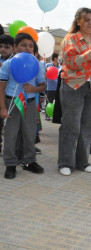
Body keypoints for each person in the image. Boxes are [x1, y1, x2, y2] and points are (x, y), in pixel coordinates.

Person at [58, 7, 91, 176]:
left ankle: (83, 162)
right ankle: (65, 162)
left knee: (87, 127)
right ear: (78, 21)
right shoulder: (70, 39)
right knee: (71, 126)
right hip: (73, 86)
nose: (90, 23)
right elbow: (71, 62)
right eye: (86, 19)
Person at [0, 33, 46, 179]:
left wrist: (34, 89)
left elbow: (42, 85)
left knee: (29, 133)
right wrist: (2, 108)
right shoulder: (8, 64)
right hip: (12, 102)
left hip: (30, 104)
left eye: (31, 46)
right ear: (15, 47)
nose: (28, 48)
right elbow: (1, 88)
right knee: (11, 135)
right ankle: (10, 164)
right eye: (23, 45)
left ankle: (29, 161)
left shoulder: (37, 65)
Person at [0, 34, 14, 155]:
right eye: (0, 46)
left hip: (7, 99)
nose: (3, 49)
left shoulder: (13, 62)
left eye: (6, 47)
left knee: (6, 126)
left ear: (13, 48)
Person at [44, 52, 60, 121]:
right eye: (58, 58)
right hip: (50, 87)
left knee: (57, 103)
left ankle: (55, 116)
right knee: (49, 102)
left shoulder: (59, 67)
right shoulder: (48, 65)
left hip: (57, 87)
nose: (59, 59)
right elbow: (45, 75)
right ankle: (47, 115)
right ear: (55, 58)